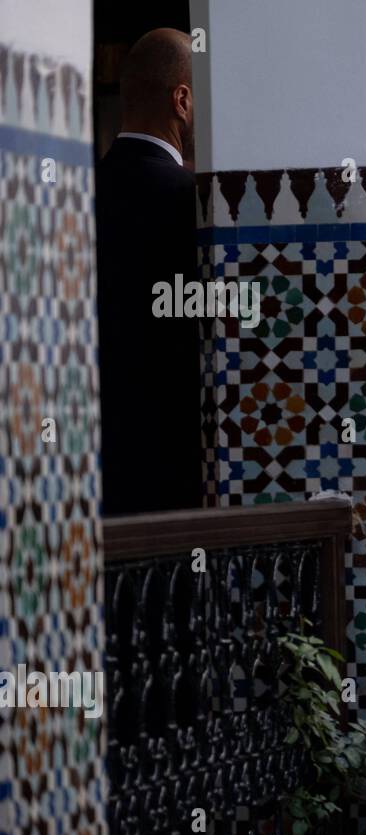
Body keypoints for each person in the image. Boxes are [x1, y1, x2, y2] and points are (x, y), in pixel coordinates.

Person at [96, 28, 203, 515]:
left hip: (87, 472)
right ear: (181, 100)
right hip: (174, 473)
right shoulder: (195, 204)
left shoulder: (69, 196)